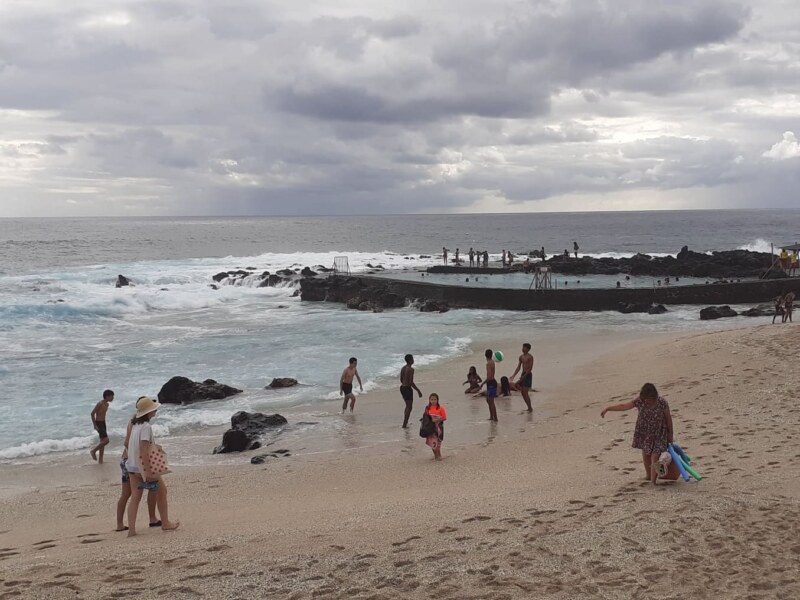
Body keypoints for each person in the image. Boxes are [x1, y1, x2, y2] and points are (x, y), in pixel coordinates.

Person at [600, 383, 674, 485]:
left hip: (659, 432)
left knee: (655, 454)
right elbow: (624, 406)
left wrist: (670, 434)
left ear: (656, 396)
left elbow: (668, 419)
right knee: (646, 452)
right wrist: (608, 408)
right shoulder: (640, 401)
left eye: (652, 400)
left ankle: (653, 480)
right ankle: (650, 475)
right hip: (644, 432)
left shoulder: (662, 402)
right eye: (648, 400)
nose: (650, 403)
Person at [125, 396, 179, 536]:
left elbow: (131, 445)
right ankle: (165, 523)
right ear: (148, 412)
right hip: (143, 467)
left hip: (131, 466)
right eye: (153, 409)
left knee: (135, 498)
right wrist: (148, 471)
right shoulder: (146, 427)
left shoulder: (135, 424)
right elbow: (143, 449)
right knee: (162, 491)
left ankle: (131, 530)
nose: (155, 410)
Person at [116, 415, 159, 532]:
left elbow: (126, 443)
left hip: (125, 460)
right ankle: (152, 518)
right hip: (134, 462)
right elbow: (128, 443)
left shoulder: (133, 422)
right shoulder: (140, 425)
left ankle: (119, 523)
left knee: (126, 494)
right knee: (153, 488)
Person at [90, 389, 114, 463]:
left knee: (102, 441)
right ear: (107, 396)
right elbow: (92, 413)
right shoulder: (100, 403)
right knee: (106, 440)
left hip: (103, 423)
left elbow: (103, 415)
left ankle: (100, 460)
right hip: (98, 423)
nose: (113, 398)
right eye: (111, 396)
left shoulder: (107, 404)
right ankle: (93, 451)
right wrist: (95, 425)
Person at [400, 354, 422, 428]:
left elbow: (401, 379)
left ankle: (405, 422)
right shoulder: (411, 369)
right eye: (412, 359)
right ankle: (404, 424)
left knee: (407, 406)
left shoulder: (403, 368)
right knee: (409, 407)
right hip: (407, 388)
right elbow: (410, 382)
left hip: (402, 388)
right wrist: (418, 390)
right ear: (410, 360)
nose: (413, 360)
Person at [475, 349, 498, 421]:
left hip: (491, 382)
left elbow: (489, 376)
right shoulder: (492, 362)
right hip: (492, 382)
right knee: (488, 400)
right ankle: (492, 416)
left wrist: (482, 384)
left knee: (491, 401)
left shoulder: (488, 364)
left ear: (485, 355)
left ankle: (495, 418)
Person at [422, 393, 447, 460]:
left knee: (438, 442)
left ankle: (439, 454)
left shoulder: (441, 408)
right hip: (430, 428)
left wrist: (437, 419)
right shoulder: (427, 408)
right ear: (429, 400)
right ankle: (436, 455)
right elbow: (425, 417)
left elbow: (444, 418)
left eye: (435, 399)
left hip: (439, 428)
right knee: (432, 442)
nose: (433, 401)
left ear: (437, 400)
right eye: (431, 399)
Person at [510, 343, 534, 411]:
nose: (522, 349)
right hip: (523, 374)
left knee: (525, 392)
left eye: (524, 347)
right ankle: (529, 407)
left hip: (528, 375)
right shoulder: (521, 357)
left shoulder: (530, 357)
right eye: (522, 347)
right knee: (522, 392)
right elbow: (518, 367)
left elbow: (530, 368)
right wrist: (513, 375)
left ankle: (530, 408)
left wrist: (524, 376)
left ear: (528, 349)